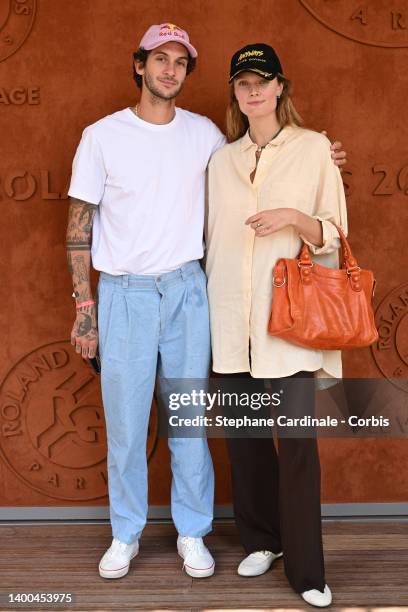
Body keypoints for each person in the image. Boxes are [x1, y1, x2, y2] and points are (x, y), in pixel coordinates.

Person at [66, 23, 346, 583]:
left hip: (189, 292)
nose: (170, 70)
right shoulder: (101, 136)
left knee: (190, 422)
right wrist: (84, 307)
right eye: (160, 59)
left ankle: (192, 531)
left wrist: (323, 156)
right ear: (140, 65)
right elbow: (78, 228)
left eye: (180, 62)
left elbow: (267, 162)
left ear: (187, 72)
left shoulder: (205, 138)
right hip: (125, 293)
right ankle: (126, 533)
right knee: (125, 424)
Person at [205, 44, 348, 607]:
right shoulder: (221, 160)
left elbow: (335, 233)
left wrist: (293, 217)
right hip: (229, 321)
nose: (253, 90)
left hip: (286, 325)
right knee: (244, 442)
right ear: (235, 94)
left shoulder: (314, 150)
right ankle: (262, 540)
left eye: (263, 80)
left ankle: (308, 570)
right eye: (243, 82)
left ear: (280, 87)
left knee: (296, 444)